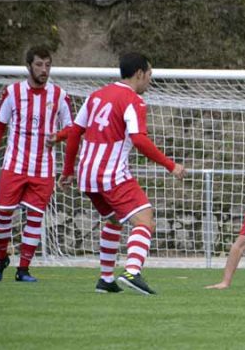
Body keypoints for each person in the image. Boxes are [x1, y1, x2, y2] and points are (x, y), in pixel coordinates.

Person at [54, 52, 186, 295]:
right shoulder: (133, 101)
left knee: (114, 219)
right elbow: (139, 140)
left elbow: (74, 132)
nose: (150, 81)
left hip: (87, 175)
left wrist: (68, 170)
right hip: (111, 173)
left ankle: (105, 279)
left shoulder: (96, 96)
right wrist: (170, 165)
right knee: (145, 218)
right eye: (149, 75)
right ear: (139, 73)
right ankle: (132, 272)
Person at [0, 45, 74, 282]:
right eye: (39, 65)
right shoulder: (12, 92)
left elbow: (72, 128)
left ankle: (23, 270)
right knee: (2, 217)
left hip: (43, 169)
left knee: (34, 218)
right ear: (28, 66)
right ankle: (1, 258)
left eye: (47, 65)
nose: (44, 70)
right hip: (14, 165)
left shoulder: (59, 95)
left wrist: (59, 136)